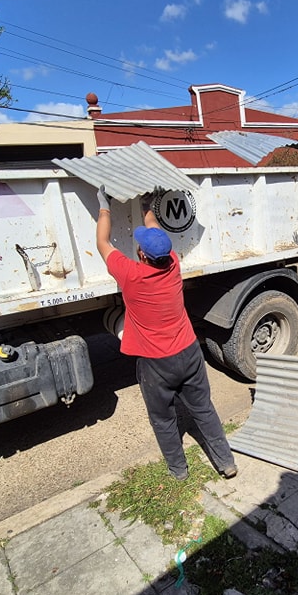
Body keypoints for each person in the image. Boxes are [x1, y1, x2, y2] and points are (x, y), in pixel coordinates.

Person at [95, 185, 238, 481]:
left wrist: (104, 206)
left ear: (141, 254)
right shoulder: (172, 264)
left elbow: (102, 242)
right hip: (189, 351)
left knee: (163, 419)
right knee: (204, 409)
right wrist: (149, 205)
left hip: (156, 363)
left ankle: (179, 471)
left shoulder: (131, 276)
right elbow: (155, 230)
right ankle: (226, 462)